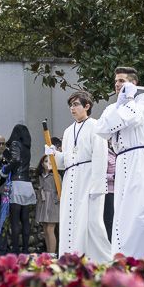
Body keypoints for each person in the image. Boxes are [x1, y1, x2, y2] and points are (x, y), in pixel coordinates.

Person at [92, 66, 144, 259]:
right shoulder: (113, 106)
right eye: (116, 82)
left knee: (138, 209)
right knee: (121, 210)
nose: (117, 85)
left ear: (133, 83)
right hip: (121, 158)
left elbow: (135, 118)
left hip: (138, 155)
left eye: (122, 81)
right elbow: (102, 130)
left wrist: (127, 102)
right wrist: (120, 107)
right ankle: (123, 253)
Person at [47, 91, 112, 262]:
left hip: (89, 178)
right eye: (71, 105)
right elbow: (65, 161)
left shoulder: (96, 126)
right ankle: (71, 258)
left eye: (76, 104)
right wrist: (53, 154)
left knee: (91, 223)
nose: (72, 108)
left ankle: (101, 259)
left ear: (87, 106)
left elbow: (100, 156)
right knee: (71, 220)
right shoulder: (68, 131)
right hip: (71, 178)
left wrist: (98, 186)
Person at [0, 124, 36, 254]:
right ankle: (25, 249)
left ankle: (15, 250)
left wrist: (4, 170)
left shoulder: (15, 143)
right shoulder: (27, 147)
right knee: (25, 219)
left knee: (15, 220)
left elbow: (15, 161)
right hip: (27, 184)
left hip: (17, 183)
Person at [35, 155, 60, 254]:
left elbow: (60, 191)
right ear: (42, 163)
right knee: (45, 230)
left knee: (50, 229)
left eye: (50, 162)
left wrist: (56, 200)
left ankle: (52, 254)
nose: (48, 164)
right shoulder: (40, 176)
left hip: (53, 204)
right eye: (46, 161)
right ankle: (48, 252)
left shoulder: (56, 176)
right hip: (43, 203)